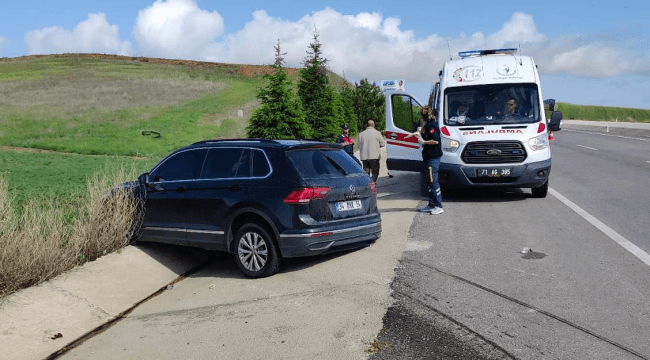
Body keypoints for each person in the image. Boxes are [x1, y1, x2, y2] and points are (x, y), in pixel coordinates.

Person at [413, 106, 444, 215]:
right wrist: (420, 133)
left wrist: (424, 142)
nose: (421, 118)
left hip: (432, 158)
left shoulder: (432, 126)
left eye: (422, 116)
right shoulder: (427, 125)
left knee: (433, 182)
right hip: (428, 158)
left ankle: (438, 205)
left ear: (424, 116)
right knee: (429, 183)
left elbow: (435, 141)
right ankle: (431, 204)